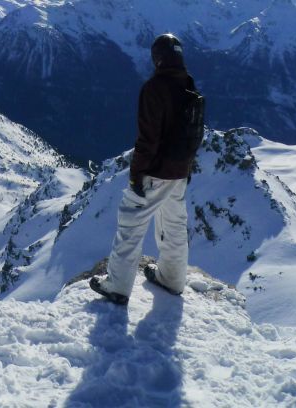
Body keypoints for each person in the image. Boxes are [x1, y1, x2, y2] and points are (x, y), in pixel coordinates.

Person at [90, 33, 203, 305]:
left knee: (131, 222)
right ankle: (173, 279)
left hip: (155, 171)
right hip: (180, 171)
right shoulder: (189, 86)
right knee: (174, 223)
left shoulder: (155, 88)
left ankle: (117, 286)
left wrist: (136, 173)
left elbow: (148, 139)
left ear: (158, 57)